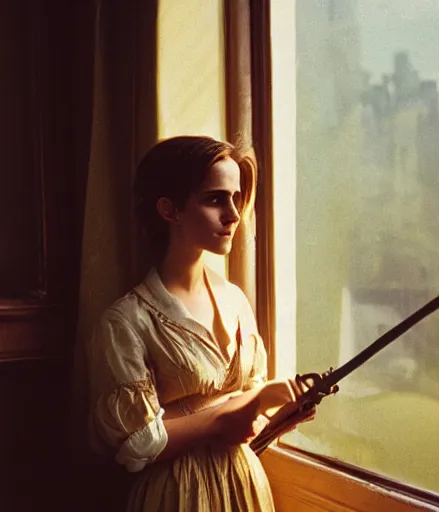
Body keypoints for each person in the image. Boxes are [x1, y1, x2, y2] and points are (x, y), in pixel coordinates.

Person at [86, 136, 310, 512]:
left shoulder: (235, 299)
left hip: (244, 484)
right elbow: (138, 444)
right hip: (177, 495)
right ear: (169, 210)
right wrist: (221, 420)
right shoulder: (126, 322)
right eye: (215, 198)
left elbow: (248, 398)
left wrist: (274, 402)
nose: (234, 214)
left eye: (235, 198)